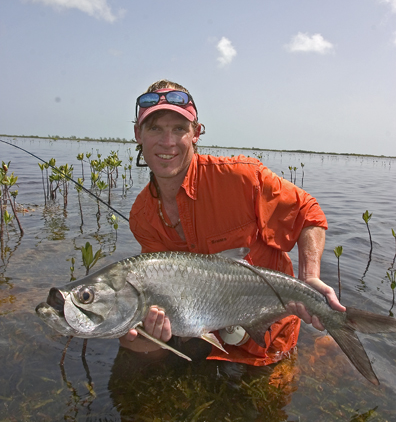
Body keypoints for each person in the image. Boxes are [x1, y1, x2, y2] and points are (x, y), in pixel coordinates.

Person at [119, 79, 345, 365]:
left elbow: (307, 213)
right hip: (201, 329)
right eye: (155, 129)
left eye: (179, 129)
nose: (167, 142)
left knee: (269, 402)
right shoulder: (142, 213)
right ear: (138, 133)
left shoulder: (241, 178)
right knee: (134, 343)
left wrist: (309, 276)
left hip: (266, 338)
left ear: (196, 133)